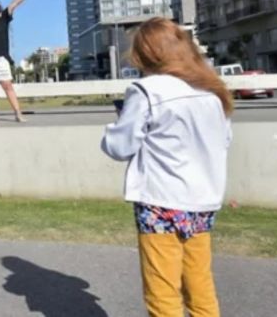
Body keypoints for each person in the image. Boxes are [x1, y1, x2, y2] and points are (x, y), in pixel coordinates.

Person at [100, 17, 233, 317]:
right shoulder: (211, 91)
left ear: (146, 54)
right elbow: (224, 140)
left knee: (163, 294)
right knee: (200, 288)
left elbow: (120, 146)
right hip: (202, 201)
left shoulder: (148, 90)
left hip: (160, 201)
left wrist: (115, 124)